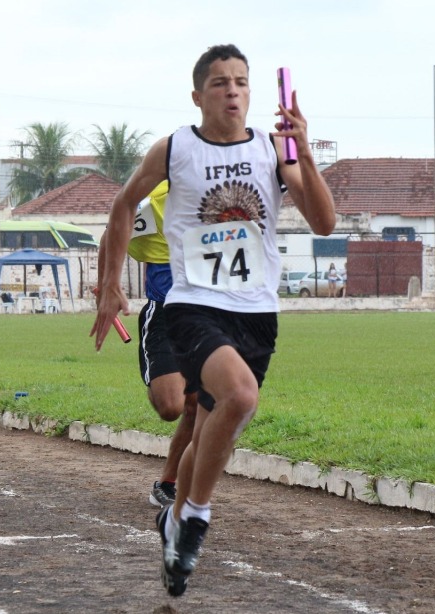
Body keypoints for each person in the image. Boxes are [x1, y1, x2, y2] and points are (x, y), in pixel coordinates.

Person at [91, 43, 335, 597]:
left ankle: (173, 521)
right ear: (198, 94)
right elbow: (123, 206)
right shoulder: (175, 148)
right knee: (241, 397)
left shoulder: (277, 151)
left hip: (257, 311)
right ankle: (196, 517)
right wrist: (109, 287)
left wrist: (306, 151)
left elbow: (323, 222)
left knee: (209, 426)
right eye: (221, 82)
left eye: (242, 82)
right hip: (193, 304)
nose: (233, 91)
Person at [97, 180, 197, 509]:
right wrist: (106, 288)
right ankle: (160, 379)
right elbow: (110, 235)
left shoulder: (227, 201)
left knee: (200, 403)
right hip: (164, 316)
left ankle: (168, 483)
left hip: (208, 319)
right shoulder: (159, 200)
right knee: (171, 407)